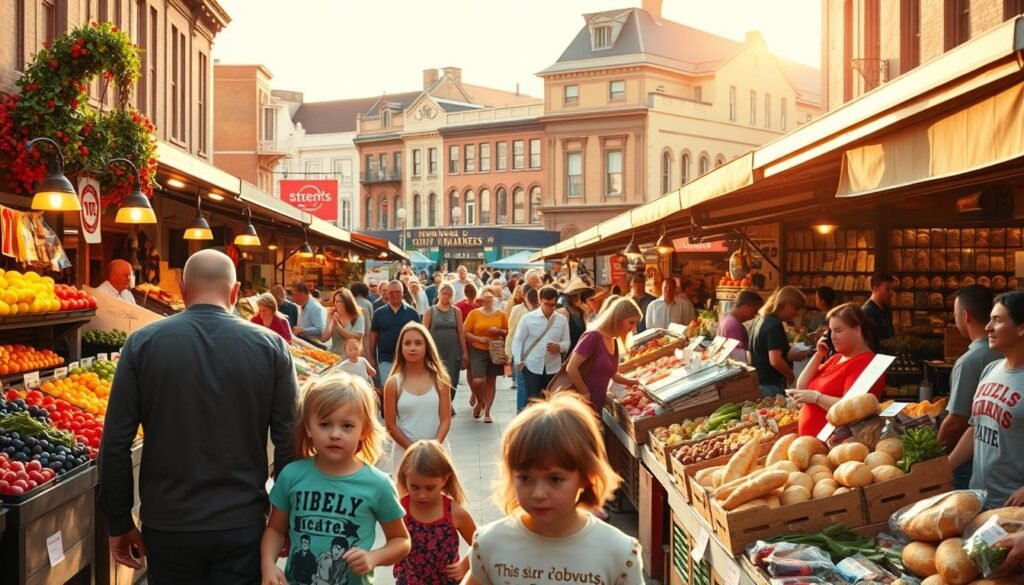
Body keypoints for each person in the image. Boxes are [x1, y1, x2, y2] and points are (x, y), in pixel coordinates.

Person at [100, 249, 297, 582]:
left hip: (168, 525)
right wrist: (285, 519)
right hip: (242, 522)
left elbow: (116, 443)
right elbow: (288, 441)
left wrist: (119, 523)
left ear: (181, 288)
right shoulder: (273, 347)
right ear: (235, 293)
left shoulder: (141, 345)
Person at [465, 392, 644, 585]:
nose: (538, 494)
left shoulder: (617, 552)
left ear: (586, 477)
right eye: (525, 478)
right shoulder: (490, 544)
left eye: (555, 479)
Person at [259, 373, 411, 585]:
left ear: (364, 430)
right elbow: (275, 529)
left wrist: (373, 557)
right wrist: (268, 565)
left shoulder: (378, 484)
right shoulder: (292, 476)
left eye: (347, 426)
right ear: (308, 428)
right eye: (325, 424)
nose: (335, 434)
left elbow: (401, 540)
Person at [948, 290, 1024, 510]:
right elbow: (976, 427)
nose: (988, 327)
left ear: (1021, 327)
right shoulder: (990, 369)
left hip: (1012, 510)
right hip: (977, 500)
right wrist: (945, 466)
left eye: (997, 320)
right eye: (990, 319)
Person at [938, 285, 1002, 489]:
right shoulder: (999, 359)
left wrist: (935, 454)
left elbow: (958, 421)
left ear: (965, 316)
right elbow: (976, 423)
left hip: (970, 464)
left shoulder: (970, 361)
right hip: (990, 463)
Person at [790, 304, 885, 436]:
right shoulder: (836, 358)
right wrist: (818, 355)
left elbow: (849, 409)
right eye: (831, 331)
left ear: (857, 330)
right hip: (811, 445)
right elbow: (802, 387)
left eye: (838, 331)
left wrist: (816, 398)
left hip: (836, 447)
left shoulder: (866, 363)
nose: (832, 337)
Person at [393, 440, 477, 585]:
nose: (422, 495)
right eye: (414, 487)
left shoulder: (455, 512)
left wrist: (465, 565)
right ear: (405, 478)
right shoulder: (401, 508)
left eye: (430, 488)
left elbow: (480, 544)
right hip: (409, 581)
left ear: (444, 479)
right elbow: (393, 540)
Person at [383, 323, 453, 468]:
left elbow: (445, 419)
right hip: (404, 453)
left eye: (418, 343)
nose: (412, 348)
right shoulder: (393, 383)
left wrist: (435, 447)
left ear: (427, 346)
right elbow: (390, 424)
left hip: (437, 451)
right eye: (407, 343)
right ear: (400, 347)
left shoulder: (440, 379)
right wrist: (412, 450)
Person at [566, 297, 641, 412]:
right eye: (631, 322)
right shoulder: (594, 337)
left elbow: (613, 374)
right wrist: (585, 392)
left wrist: (635, 381)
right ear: (618, 318)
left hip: (597, 405)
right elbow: (571, 368)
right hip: (582, 407)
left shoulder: (613, 340)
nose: (633, 329)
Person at [512, 286, 570, 412]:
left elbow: (567, 341)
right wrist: (519, 362)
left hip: (553, 366)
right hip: (531, 365)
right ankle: (532, 428)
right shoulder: (528, 318)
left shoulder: (562, 320)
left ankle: (547, 429)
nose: (549, 308)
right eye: (546, 304)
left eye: (553, 305)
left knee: (550, 401)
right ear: (540, 300)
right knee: (533, 401)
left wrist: (559, 347)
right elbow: (518, 340)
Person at [749, 286, 811, 397]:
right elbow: (775, 360)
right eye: (796, 309)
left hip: (759, 382)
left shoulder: (759, 319)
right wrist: (790, 375)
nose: (797, 314)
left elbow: (760, 352)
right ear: (787, 305)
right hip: (770, 385)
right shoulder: (774, 325)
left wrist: (791, 356)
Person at [463, 289, 508, 423]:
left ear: (494, 299)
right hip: (478, 350)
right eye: (485, 297)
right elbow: (465, 331)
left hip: (495, 350)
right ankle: (479, 401)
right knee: (478, 380)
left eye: (490, 297)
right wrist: (479, 339)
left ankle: (487, 412)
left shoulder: (501, 314)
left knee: (491, 381)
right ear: (481, 300)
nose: (488, 300)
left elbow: (507, 331)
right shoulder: (474, 314)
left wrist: (499, 330)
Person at [423, 283, 469, 413]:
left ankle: (448, 402)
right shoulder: (430, 311)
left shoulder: (456, 311)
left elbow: (461, 332)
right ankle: (440, 404)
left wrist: (464, 352)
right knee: (436, 377)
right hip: (435, 351)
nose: (446, 297)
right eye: (444, 293)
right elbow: (423, 333)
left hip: (453, 350)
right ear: (439, 294)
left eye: (449, 295)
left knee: (452, 378)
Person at [370, 280, 421, 385]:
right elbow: (373, 336)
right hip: (385, 359)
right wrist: (372, 358)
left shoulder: (413, 313)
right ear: (386, 294)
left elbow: (420, 337)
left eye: (397, 292)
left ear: (403, 293)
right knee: (387, 387)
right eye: (391, 292)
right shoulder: (379, 313)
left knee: (406, 388)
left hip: (408, 359)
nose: (394, 295)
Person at [716, 289, 764, 354]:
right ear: (745, 307)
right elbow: (738, 356)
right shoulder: (734, 325)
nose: (755, 314)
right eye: (755, 310)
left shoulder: (726, 319)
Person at [320, 288, 365, 356]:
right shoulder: (334, 315)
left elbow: (356, 338)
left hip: (350, 358)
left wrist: (338, 326)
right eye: (334, 301)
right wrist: (329, 321)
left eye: (338, 301)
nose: (335, 304)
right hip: (334, 356)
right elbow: (324, 339)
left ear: (347, 303)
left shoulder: (358, 317)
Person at [505, 285, 533, 393]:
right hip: (519, 342)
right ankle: (515, 379)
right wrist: (509, 345)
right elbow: (511, 327)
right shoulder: (516, 308)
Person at [862, 273, 896, 352]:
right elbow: (869, 344)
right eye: (887, 289)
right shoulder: (866, 312)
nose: (892, 293)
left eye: (892, 289)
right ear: (875, 289)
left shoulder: (886, 309)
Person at [559, 280, 593, 352]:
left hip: (583, 351)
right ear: (567, 296)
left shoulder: (583, 310)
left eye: (579, 294)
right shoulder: (564, 312)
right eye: (573, 294)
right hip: (569, 353)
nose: (577, 297)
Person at [350, 282, 375, 357]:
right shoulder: (368, 303)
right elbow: (372, 318)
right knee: (366, 351)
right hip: (367, 331)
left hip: (353, 332)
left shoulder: (351, 302)